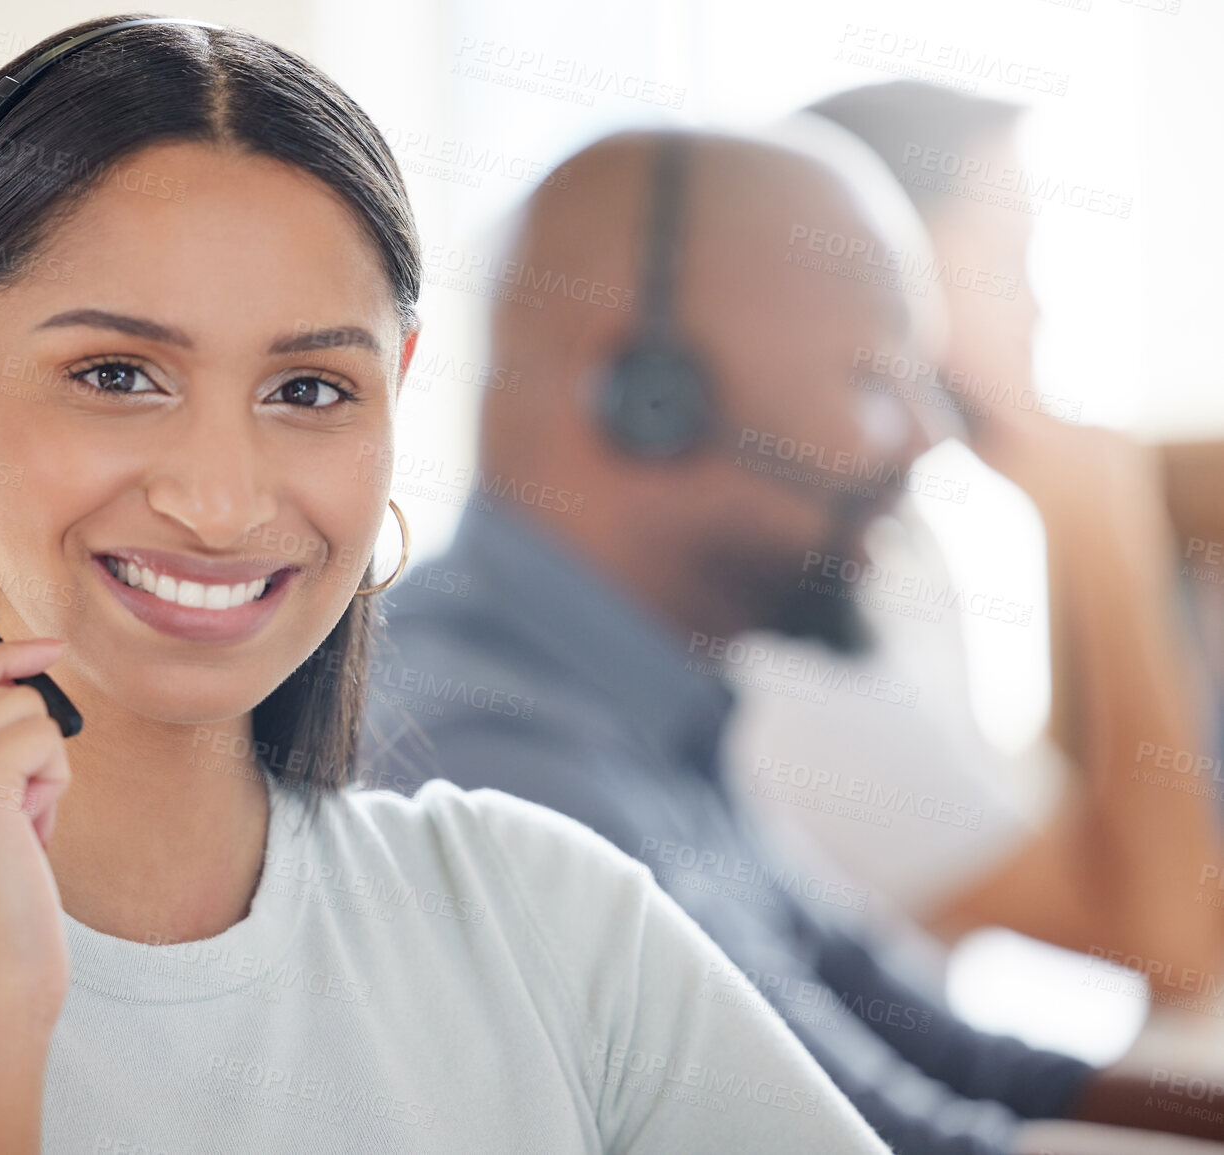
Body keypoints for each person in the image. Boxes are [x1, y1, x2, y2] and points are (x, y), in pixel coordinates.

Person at [0, 16, 891, 1155]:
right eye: (118, 374)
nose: (222, 498)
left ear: (393, 400)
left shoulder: (541, 906)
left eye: (308, 389)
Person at [359, 126, 1224, 1153]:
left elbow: (967, 1066)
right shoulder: (492, 756)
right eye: (873, 378)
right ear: (646, 394)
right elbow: (894, 1139)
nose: (926, 436)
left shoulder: (644, 708)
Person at [716, 80, 1223, 986]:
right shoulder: (802, 615)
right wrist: (1093, 521)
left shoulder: (896, 550)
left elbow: (1103, 855)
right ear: (883, 266)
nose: (1039, 309)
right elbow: (1168, 939)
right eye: (1009, 258)